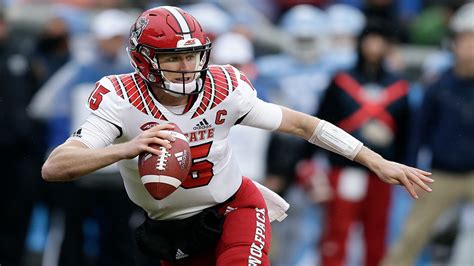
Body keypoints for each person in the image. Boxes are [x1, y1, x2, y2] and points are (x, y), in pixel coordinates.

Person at [41, 6, 433, 266]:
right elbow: (56, 166)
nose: (186, 66)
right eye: (173, 58)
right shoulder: (120, 98)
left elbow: (303, 125)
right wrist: (127, 148)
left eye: (192, 55)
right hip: (172, 228)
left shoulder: (223, 87)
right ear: (144, 60)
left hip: (234, 206)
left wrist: (375, 160)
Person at [300, 18, 412, 266]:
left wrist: (405, 165)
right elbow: (321, 121)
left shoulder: (399, 86)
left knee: (377, 232)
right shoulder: (341, 81)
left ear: (387, 46)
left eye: (379, 41)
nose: (373, 46)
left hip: (382, 172)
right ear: (360, 43)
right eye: (369, 40)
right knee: (337, 230)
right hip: (344, 168)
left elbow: (406, 131)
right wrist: (307, 160)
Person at [382, 3, 474, 265]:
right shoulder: (439, 85)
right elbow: (418, 131)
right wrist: (409, 168)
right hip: (442, 172)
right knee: (411, 236)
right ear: (454, 43)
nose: (470, 47)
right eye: (465, 40)